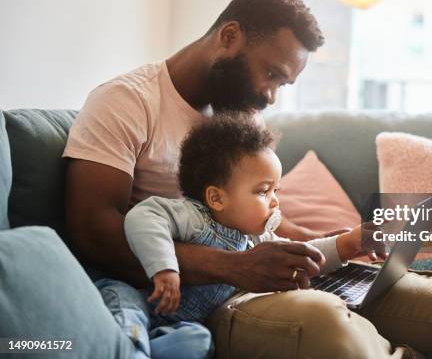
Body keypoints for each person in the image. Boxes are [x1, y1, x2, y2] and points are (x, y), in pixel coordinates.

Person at [64, 0, 432, 358]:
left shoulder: (233, 119)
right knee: (332, 324)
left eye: (284, 83)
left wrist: (344, 244)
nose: (273, 96)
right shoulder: (126, 101)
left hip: (265, 282)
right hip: (207, 305)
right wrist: (238, 268)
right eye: (272, 74)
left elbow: (267, 230)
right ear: (229, 37)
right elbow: (93, 230)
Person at [101, 113, 373, 358]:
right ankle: (129, 350)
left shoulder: (256, 240)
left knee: (199, 342)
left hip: (176, 323)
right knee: (128, 315)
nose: (275, 202)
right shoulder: (194, 217)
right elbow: (144, 217)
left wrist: (347, 244)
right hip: (136, 298)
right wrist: (164, 268)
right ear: (216, 198)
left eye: (276, 191)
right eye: (263, 191)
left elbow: (301, 256)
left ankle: (147, 349)